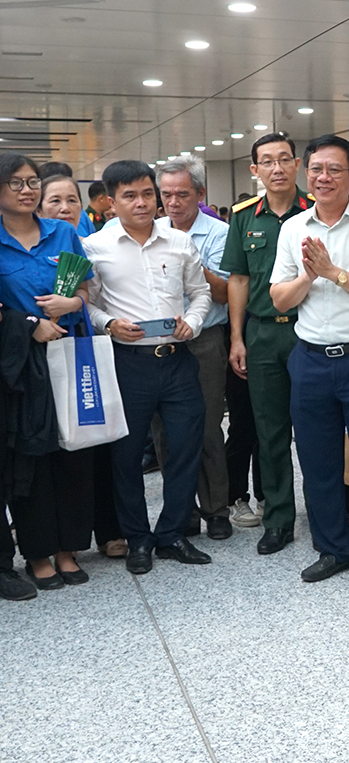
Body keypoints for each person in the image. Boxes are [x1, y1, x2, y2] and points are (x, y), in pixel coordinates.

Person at [270, 134, 349, 584]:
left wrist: (333, 273)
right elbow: (280, 299)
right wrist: (309, 275)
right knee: (317, 458)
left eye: (334, 170)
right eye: (317, 169)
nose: (324, 178)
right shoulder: (293, 229)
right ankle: (330, 549)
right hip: (310, 358)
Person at [83, 160, 212, 575]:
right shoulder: (95, 247)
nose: (141, 203)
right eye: (129, 195)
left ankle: (172, 533)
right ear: (110, 201)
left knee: (185, 448)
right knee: (125, 457)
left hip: (178, 361)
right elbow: (89, 303)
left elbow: (201, 293)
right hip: (127, 363)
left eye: (147, 193)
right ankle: (138, 539)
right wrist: (109, 324)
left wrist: (191, 323)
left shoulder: (178, 242)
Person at [0, 153, 94, 591]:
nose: (27, 190)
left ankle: (69, 549)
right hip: (20, 364)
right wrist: (29, 325)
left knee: (74, 450)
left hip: (69, 352)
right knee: (32, 458)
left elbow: (84, 286)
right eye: (16, 183)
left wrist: (72, 303)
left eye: (32, 181)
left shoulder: (62, 232)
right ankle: (37, 553)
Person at [222, 131, 311, 556]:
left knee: (316, 429)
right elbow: (238, 279)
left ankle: (325, 513)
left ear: (297, 165)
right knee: (270, 430)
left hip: (309, 330)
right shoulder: (243, 217)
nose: (277, 168)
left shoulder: (316, 211)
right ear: (254, 170)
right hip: (261, 333)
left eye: (284, 160)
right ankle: (277, 519)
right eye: (267, 162)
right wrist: (237, 338)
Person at [39, 174, 127, 559]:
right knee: (55, 446)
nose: (65, 208)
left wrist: (76, 304)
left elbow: (88, 294)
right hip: (39, 352)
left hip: (88, 349)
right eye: (55, 201)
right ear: (39, 207)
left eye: (72, 200)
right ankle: (54, 536)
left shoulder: (86, 243)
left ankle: (109, 529)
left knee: (98, 439)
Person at [155, 156, 233, 540]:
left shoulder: (217, 233)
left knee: (205, 428)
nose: (173, 203)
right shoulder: (149, 232)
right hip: (158, 342)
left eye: (182, 194)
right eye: (166, 194)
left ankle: (216, 509)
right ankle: (179, 511)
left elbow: (221, 292)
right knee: (165, 431)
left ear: (200, 194)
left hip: (204, 340)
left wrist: (186, 255)